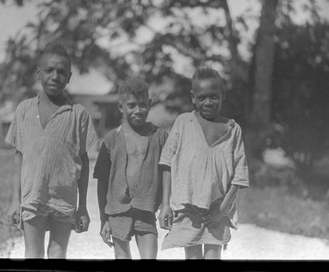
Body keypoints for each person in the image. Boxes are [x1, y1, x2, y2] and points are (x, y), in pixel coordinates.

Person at [4, 44, 98, 258]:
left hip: (63, 199)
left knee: (57, 254)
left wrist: (82, 207)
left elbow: (83, 163)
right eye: (49, 70)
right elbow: (18, 157)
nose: (55, 76)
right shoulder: (24, 110)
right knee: (33, 254)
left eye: (62, 72)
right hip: (32, 196)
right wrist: (14, 201)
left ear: (69, 77)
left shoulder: (78, 114)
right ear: (39, 72)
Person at [157, 67, 249, 259]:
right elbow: (166, 163)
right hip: (187, 209)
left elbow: (239, 177)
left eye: (213, 97)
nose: (208, 102)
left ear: (222, 95)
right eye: (202, 97)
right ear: (193, 97)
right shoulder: (183, 123)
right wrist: (165, 204)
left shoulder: (233, 130)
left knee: (213, 256)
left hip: (217, 210)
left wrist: (221, 210)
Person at [93, 77, 169, 259]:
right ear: (121, 107)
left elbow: (168, 170)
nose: (138, 110)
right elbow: (102, 181)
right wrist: (104, 219)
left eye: (143, 105)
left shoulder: (159, 136)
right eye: (132, 105)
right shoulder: (111, 139)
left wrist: (166, 205)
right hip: (117, 211)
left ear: (150, 104)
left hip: (146, 210)